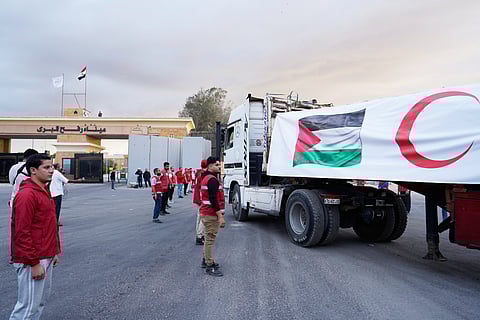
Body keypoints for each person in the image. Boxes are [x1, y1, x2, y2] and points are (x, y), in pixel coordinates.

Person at [9, 153, 60, 319]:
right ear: (33, 170)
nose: (51, 171)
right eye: (46, 167)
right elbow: (22, 232)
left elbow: (48, 225)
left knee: (38, 304)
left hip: (45, 255)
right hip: (32, 260)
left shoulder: (43, 191)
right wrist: (33, 263)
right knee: (27, 308)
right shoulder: (27, 195)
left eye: (52, 166)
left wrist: (54, 252)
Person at [199, 157, 225, 277]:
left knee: (207, 238)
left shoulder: (206, 178)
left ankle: (206, 260)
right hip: (210, 214)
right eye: (216, 165)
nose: (219, 167)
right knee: (210, 239)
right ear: (209, 166)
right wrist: (220, 216)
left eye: (219, 165)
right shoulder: (212, 180)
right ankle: (209, 266)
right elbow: (213, 199)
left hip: (206, 212)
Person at [193, 161, 207, 245]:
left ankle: (199, 234)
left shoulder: (198, 173)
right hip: (202, 199)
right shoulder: (203, 174)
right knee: (203, 218)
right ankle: (199, 235)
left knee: (199, 217)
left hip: (198, 197)